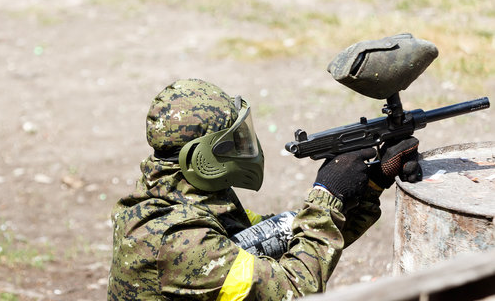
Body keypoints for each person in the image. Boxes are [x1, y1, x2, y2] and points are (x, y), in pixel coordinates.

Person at [107, 78, 420, 300]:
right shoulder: (179, 243)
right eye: (233, 142)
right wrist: (326, 197)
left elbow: (284, 239)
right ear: (202, 156)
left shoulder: (183, 194)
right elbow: (294, 290)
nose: (245, 147)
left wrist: (372, 182)